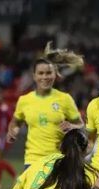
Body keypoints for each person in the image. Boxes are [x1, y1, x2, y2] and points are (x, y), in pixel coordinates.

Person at [7, 42, 84, 170]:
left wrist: (72, 126)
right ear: (34, 76)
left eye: (48, 73)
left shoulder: (65, 99)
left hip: (58, 160)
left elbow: (81, 125)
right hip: (32, 161)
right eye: (41, 73)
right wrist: (13, 131)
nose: (45, 77)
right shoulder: (24, 100)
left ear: (55, 75)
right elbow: (16, 123)